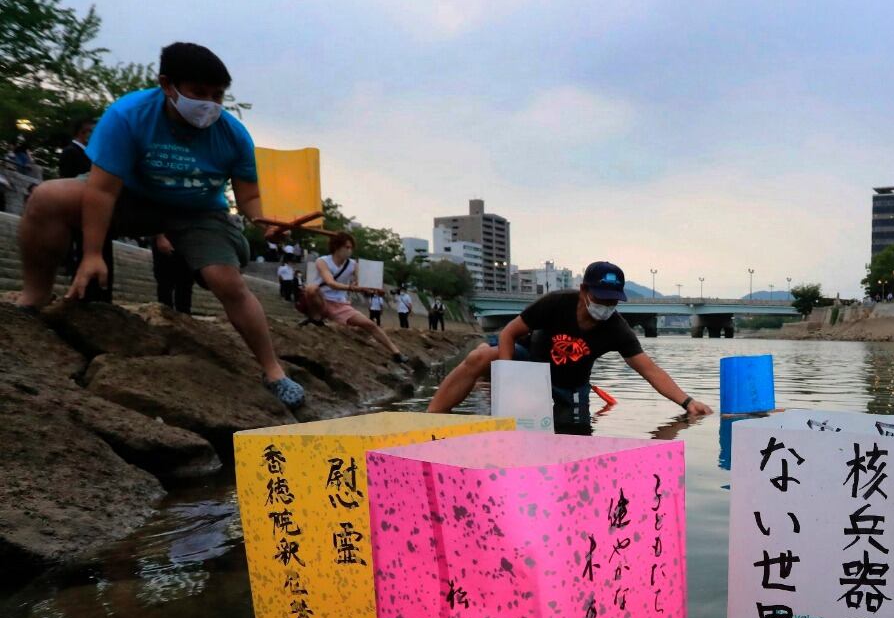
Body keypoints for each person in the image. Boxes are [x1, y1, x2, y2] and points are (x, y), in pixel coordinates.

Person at [15, 42, 305, 408]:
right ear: (168, 85)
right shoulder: (128, 116)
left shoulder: (233, 135)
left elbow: (248, 197)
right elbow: (102, 191)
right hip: (131, 198)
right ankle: (35, 295)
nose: (209, 104)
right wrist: (92, 253)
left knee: (226, 281)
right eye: (199, 92)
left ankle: (273, 370)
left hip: (198, 212)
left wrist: (267, 221)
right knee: (46, 197)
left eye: (217, 95)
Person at [427, 261, 714, 419]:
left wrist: (687, 401)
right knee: (481, 355)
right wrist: (509, 382)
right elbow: (508, 333)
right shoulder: (556, 303)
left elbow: (650, 370)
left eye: (613, 301)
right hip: (531, 367)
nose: (606, 306)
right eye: (601, 298)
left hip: (571, 386)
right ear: (584, 290)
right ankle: (433, 416)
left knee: (572, 435)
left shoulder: (616, 328)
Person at [299, 232, 406, 361]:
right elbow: (330, 283)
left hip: (339, 304)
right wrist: (352, 287)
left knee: (370, 324)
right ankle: (316, 317)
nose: (349, 251)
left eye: (351, 248)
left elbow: (362, 281)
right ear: (337, 247)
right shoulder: (322, 261)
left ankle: (396, 352)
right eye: (347, 247)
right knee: (311, 289)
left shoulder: (353, 264)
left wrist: (371, 288)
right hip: (321, 300)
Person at [152, 233, 194, 313]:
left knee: (185, 284)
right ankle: (165, 314)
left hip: (187, 241)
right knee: (165, 283)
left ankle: (184, 315)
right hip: (167, 236)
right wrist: (160, 237)